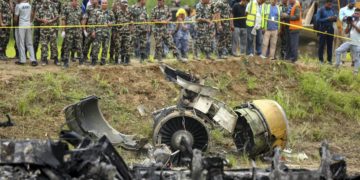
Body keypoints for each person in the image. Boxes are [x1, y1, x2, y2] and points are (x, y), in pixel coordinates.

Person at [335, 8, 360, 75]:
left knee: (357, 58)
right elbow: (346, 32)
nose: (356, 15)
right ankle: (336, 66)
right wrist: (349, 24)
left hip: (357, 43)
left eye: (357, 13)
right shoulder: (353, 21)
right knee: (338, 51)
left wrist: (353, 24)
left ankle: (355, 72)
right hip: (350, 41)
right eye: (355, 13)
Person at [61, 0, 84, 68]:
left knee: (79, 47)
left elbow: (82, 19)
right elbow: (63, 20)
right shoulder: (67, 9)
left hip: (78, 31)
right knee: (67, 47)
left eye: (76, 1)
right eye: (74, 1)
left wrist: (83, 29)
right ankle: (65, 62)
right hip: (69, 31)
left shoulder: (80, 9)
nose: (76, 2)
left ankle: (81, 62)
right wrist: (63, 30)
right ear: (72, 1)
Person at [35, 0, 59, 65]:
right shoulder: (39, 8)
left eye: (47, 3)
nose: (46, 4)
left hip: (52, 29)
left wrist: (51, 21)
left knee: (53, 44)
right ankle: (44, 59)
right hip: (43, 30)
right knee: (44, 44)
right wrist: (42, 20)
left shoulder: (53, 6)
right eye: (45, 3)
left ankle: (56, 59)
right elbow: (36, 17)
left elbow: (57, 16)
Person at [14, 0, 37, 66]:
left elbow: (16, 18)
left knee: (21, 43)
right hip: (28, 25)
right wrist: (31, 22)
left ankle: (22, 60)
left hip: (21, 25)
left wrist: (16, 26)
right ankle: (33, 60)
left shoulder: (18, 6)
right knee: (29, 43)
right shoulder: (29, 5)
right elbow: (32, 14)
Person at [91, 0, 114, 65]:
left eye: (105, 3)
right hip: (98, 33)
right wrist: (93, 31)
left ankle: (103, 61)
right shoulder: (96, 12)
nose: (104, 4)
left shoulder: (110, 12)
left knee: (105, 48)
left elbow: (114, 21)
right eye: (103, 3)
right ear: (101, 4)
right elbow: (93, 22)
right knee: (96, 47)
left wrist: (111, 23)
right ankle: (94, 61)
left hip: (106, 33)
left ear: (107, 4)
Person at [316, 0, 337, 64]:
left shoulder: (332, 10)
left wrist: (334, 18)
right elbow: (317, 20)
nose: (330, 5)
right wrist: (327, 19)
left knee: (330, 45)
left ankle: (329, 60)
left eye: (331, 4)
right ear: (326, 3)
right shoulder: (321, 10)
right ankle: (321, 60)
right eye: (329, 4)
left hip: (331, 29)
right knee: (321, 45)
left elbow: (335, 18)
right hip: (323, 28)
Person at [114, 0, 133, 65]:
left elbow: (131, 22)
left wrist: (131, 31)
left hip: (127, 32)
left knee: (127, 46)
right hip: (119, 32)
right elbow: (115, 22)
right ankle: (116, 61)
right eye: (123, 4)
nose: (125, 6)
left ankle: (127, 60)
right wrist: (115, 32)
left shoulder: (129, 12)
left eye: (126, 5)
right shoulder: (117, 12)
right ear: (121, 4)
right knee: (118, 46)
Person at [339, 0, 356, 66]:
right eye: (352, 4)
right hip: (345, 29)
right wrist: (346, 18)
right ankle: (343, 60)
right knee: (345, 45)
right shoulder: (342, 9)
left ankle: (353, 61)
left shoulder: (356, 10)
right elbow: (341, 18)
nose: (353, 5)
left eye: (354, 4)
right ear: (349, 3)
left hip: (354, 30)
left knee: (354, 45)